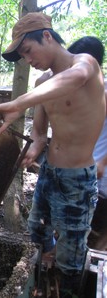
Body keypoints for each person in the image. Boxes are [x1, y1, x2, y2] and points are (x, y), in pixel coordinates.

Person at [0, 13, 105, 297]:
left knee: (71, 256)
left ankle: (67, 286)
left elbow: (75, 78)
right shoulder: (42, 82)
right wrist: (34, 148)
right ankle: (42, 281)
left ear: (47, 36)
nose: (27, 59)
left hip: (77, 179)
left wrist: (19, 102)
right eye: (22, 55)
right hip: (49, 173)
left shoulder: (85, 64)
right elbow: (39, 132)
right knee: (36, 230)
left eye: (27, 50)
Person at [67, 36, 107, 250]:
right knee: (77, 236)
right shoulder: (80, 92)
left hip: (103, 180)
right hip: (84, 177)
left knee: (96, 240)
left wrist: (102, 162)